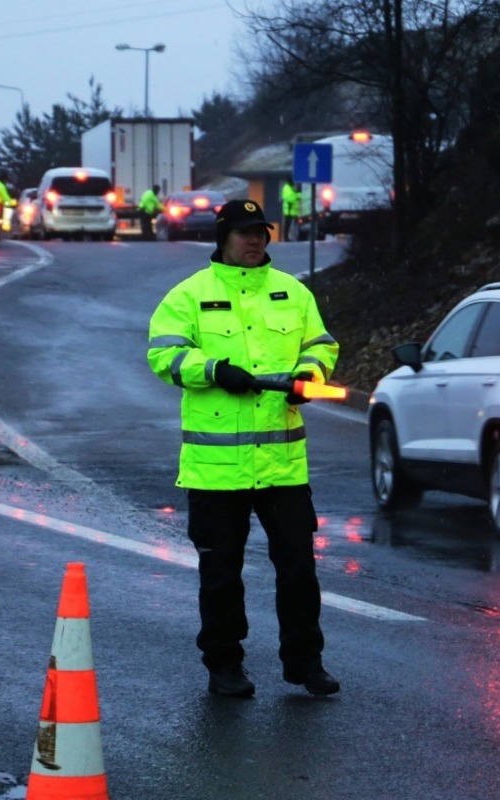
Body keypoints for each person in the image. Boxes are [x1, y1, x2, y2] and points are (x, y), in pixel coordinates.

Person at [146, 199, 341, 698]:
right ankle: (224, 666)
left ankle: (305, 663)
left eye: (260, 232)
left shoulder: (292, 292)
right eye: (243, 232)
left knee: (299, 572)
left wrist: (308, 376)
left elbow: (322, 345)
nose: (253, 240)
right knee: (221, 577)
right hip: (216, 470)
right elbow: (162, 355)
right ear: (223, 237)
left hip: (282, 464)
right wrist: (213, 370)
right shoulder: (190, 294)